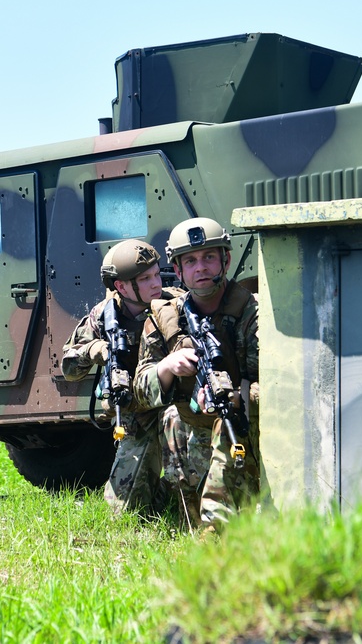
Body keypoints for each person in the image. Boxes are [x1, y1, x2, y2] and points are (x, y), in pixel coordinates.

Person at [60, 239, 202, 521]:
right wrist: (94, 349)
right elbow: (69, 368)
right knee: (124, 512)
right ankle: (163, 495)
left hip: (177, 405)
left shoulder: (176, 303)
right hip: (136, 413)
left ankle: (186, 496)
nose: (156, 284)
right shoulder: (103, 316)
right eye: (145, 279)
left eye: (156, 274)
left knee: (187, 459)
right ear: (122, 287)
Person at [134, 217, 260, 531]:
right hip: (193, 419)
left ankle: (218, 527)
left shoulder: (252, 311)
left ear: (225, 260)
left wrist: (234, 395)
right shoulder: (166, 316)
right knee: (172, 417)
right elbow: (139, 390)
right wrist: (168, 368)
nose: (200, 267)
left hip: (246, 419)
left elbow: (275, 382)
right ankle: (188, 514)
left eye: (208, 258)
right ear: (177, 270)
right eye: (190, 261)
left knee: (238, 413)